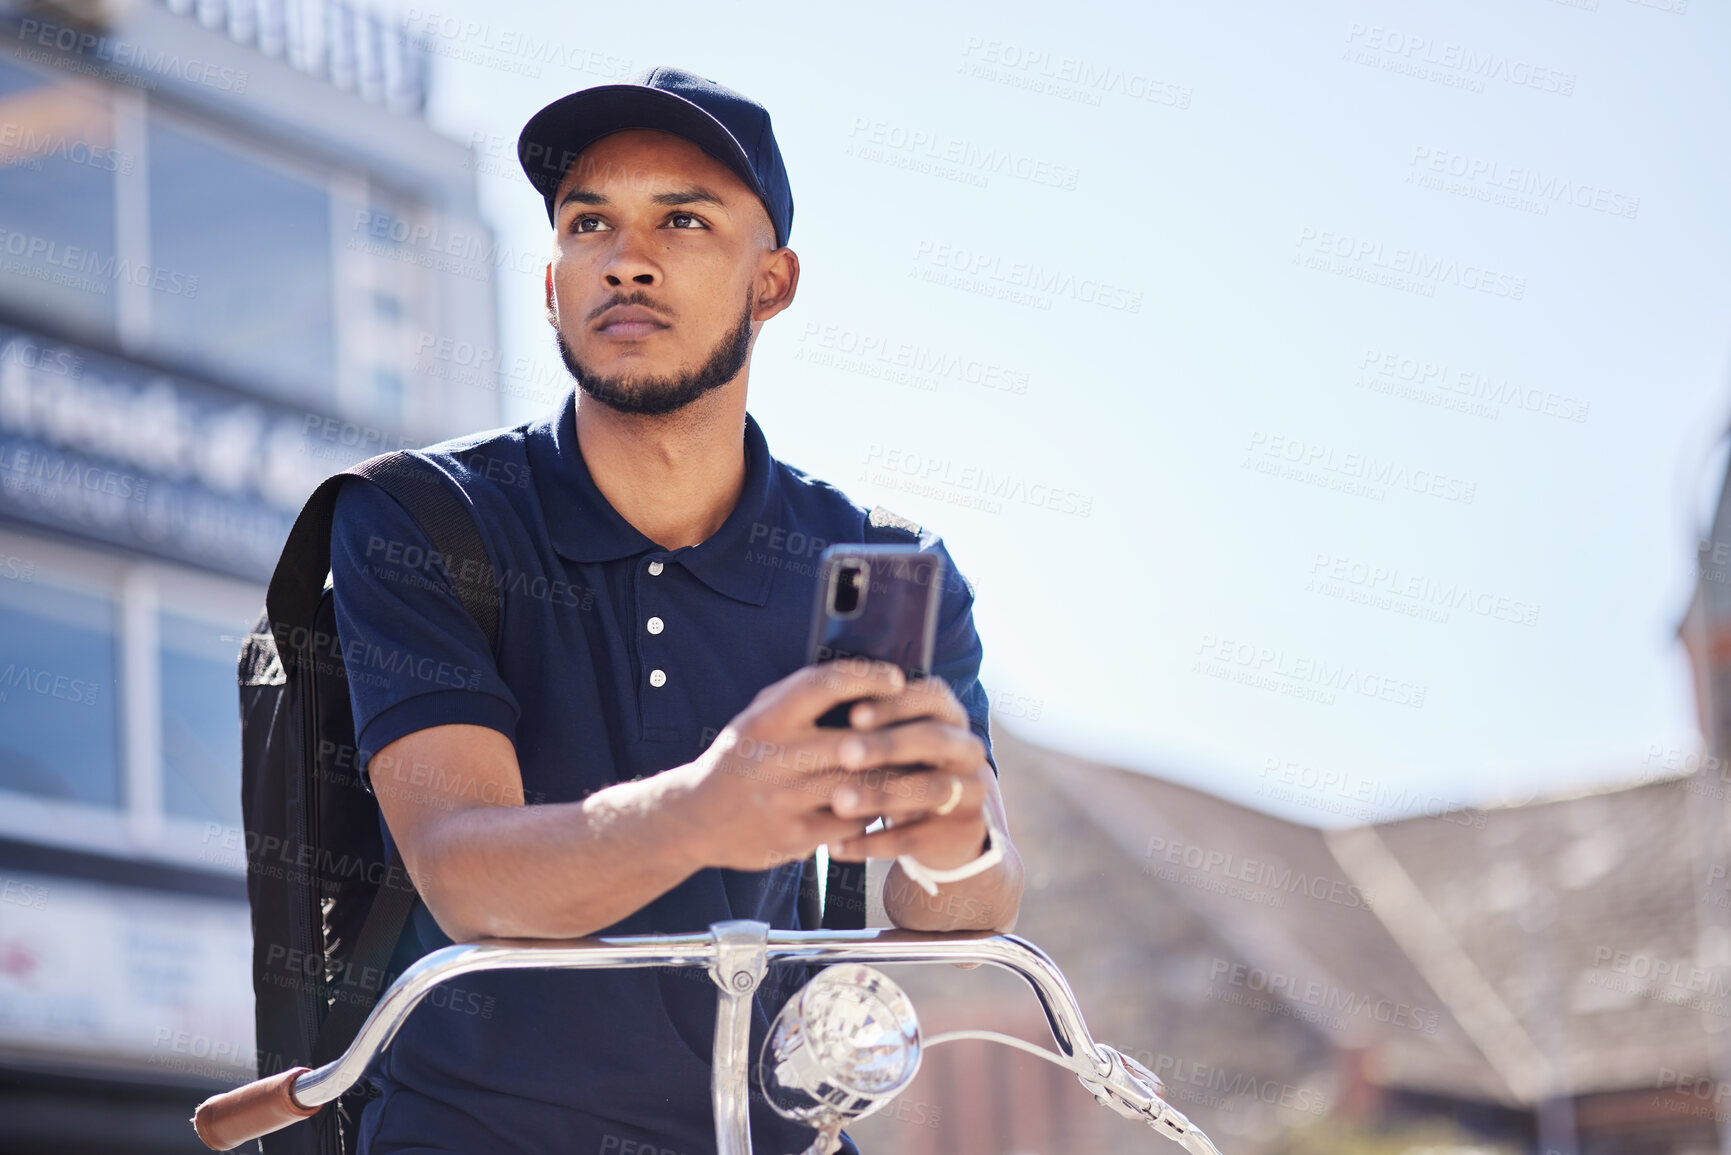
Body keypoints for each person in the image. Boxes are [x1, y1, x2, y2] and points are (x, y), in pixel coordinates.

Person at [328, 66, 1023, 1155]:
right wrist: (705, 808)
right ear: (553, 285)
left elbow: (969, 910)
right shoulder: (422, 521)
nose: (627, 257)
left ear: (773, 283)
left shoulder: (883, 560)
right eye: (588, 223)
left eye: (683, 220)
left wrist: (950, 846)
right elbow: (466, 877)